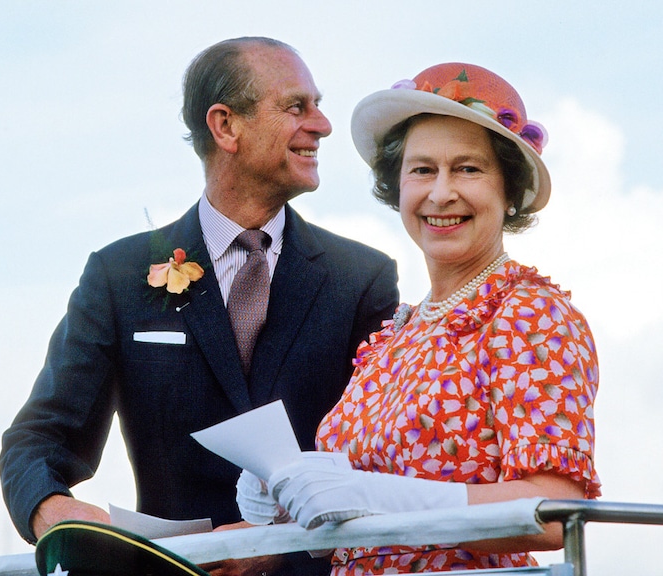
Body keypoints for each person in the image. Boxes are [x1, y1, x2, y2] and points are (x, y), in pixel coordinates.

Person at [0, 36, 399, 576]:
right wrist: (56, 513)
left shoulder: (362, 278)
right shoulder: (118, 276)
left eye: (317, 105)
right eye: (296, 106)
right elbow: (38, 438)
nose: (322, 125)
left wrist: (280, 541)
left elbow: (379, 459)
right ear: (225, 126)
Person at [238, 62, 601, 573]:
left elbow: (554, 513)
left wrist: (369, 494)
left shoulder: (531, 314)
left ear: (509, 191)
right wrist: (288, 499)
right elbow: (362, 516)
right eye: (423, 170)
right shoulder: (397, 333)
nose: (441, 192)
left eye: (468, 169)